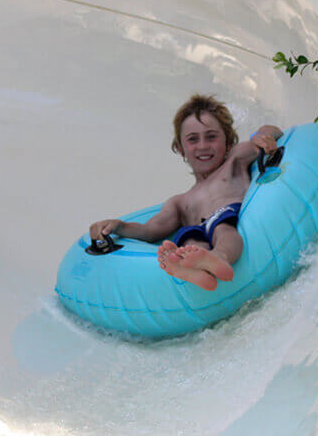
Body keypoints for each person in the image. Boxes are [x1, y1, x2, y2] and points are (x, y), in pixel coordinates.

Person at [88, 95, 283, 292]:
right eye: (192, 139)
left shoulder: (235, 159)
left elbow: (273, 130)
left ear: (229, 143)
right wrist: (119, 226)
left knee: (222, 229)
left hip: (225, 217)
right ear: (181, 149)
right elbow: (149, 231)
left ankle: (219, 257)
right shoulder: (179, 202)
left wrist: (261, 136)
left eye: (212, 136)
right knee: (188, 240)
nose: (203, 145)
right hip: (199, 232)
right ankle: (193, 269)